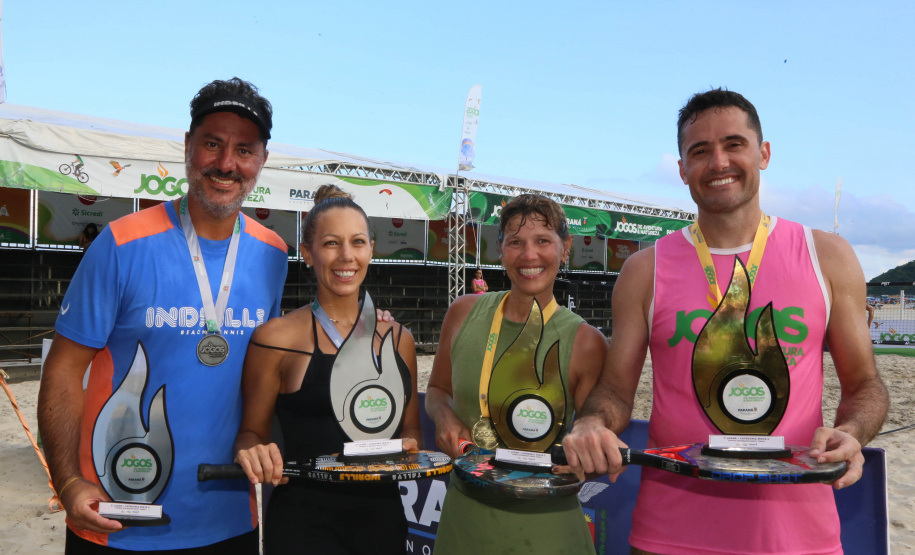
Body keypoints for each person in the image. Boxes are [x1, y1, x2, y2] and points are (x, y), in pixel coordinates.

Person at [559, 88, 889, 554]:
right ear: (681, 169)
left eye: (734, 144)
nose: (718, 162)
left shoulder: (826, 257)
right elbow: (614, 390)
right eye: (700, 151)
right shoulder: (644, 270)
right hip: (670, 535)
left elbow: (866, 386)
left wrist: (851, 433)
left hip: (798, 536)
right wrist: (592, 422)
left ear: (764, 153)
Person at [38, 77, 288, 553]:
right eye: (212, 144)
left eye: (244, 149)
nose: (226, 163)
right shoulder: (120, 244)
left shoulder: (274, 253)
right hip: (117, 515)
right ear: (189, 146)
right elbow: (65, 369)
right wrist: (68, 482)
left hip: (231, 516)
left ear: (262, 161)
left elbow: (274, 362)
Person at [233, 184, 422, 554]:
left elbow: (412, 429)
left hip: (381, 521)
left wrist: (411, 449)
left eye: (358, 242)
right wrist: (252, 452)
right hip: (302, 525)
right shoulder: (274, 339)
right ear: (307, 253)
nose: (346, 256)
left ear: (371, 249)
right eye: (332, 243)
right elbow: (250, 434)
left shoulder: (399, 339)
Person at [425, 194, 607, 555]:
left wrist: (587, 460)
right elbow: (437, 389)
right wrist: (444, 416)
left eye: (543, 241)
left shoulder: (586, 342)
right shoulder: (463, 313)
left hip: (548, 530)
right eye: (515, 243)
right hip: (467, 521)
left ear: (565, 247)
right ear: (500, 251)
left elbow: (593, 441)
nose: (529, 255)